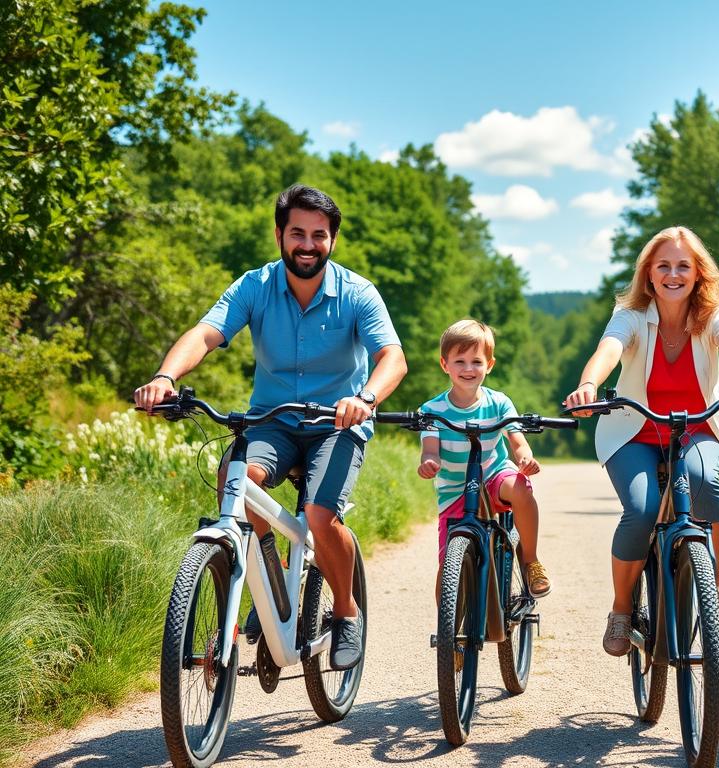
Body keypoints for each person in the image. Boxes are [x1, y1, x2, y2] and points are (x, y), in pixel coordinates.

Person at [134, 184, 407, 670]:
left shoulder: (358, 293)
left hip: (336, 426)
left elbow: (392, 357)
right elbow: (204, 333)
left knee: (321, 519)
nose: (307, 244)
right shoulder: (255, 287)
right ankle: (270, 584)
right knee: (234, 482)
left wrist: (365, 398)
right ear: (280, 235)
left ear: (332, 241)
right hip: (273, 423)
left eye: (318, 235)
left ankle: (345, 611)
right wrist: (165, 377)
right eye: (297, 233)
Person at [564, 226, 719, 656]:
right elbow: (608, 350)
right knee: (643, 508)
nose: (673, 274)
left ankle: (717, 584)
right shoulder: (630, 314)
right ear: (649, 274)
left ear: (698, 274)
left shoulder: (713, 312)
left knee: (705, 484)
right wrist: (589, 384)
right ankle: (621, 609)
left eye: (683, 266)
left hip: (697, 429)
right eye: (663, 265)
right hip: (634, 431)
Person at [418, 319, 551, 600]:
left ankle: (530, 560)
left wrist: (526, 459)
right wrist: (429, 462)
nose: (468, 369)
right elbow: (430, 449)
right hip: (454, 491)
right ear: (445, 364)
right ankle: (448, 633)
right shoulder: (431, 410)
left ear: (489, 365)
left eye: (476, 361)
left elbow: (518, 442)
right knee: (447, 567)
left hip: (492, 475)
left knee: (520, 486)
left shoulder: (499, 403)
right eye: (460, 361)